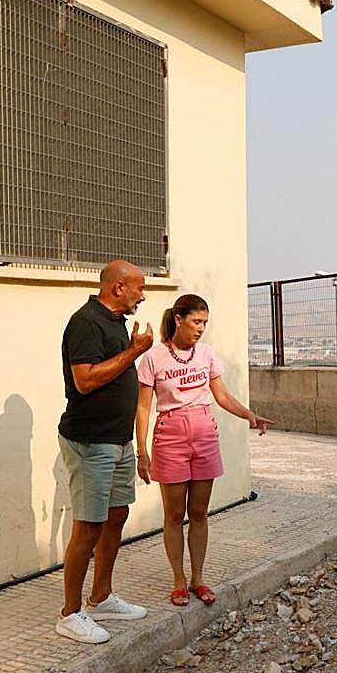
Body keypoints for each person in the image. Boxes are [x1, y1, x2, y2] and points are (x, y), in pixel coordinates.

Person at [135, 294, 274, 606]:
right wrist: (142, 452)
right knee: (174, 514)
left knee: (198, 513)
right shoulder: (154, 358)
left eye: (205, 323)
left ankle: (198, 578)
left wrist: (249, 415)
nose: (201, 328)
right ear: (178, 319)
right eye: (196, 321)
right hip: (170, 436)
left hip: (204, 434)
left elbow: (221, 395)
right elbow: (143, 408)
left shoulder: (207, 354)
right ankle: (178, 580)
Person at [54, 259, 154, 644]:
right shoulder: (86, 322)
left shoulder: (115, 323)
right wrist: (135, 352)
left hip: (118, 441)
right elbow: (85, 380)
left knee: (116, 516)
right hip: (91, 442)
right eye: (139, 288)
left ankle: (101, 597)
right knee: (88, 526)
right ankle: (69, 614)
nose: (142, 296)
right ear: (119, 287)